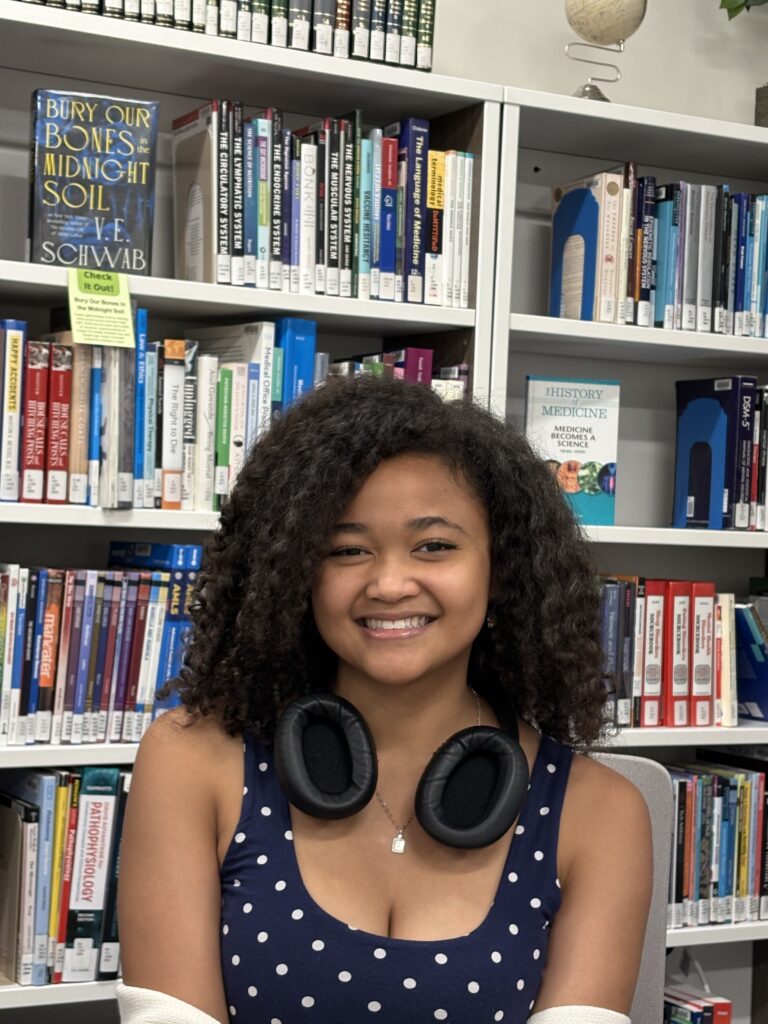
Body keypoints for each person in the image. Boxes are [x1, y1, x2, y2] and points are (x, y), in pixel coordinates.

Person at [116, 374, 652, 1024]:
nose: (390, 583)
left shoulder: (601, 814)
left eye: (434, 546)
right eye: (347, 549)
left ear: (503, 569)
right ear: (295, 573)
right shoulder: (191, 762)